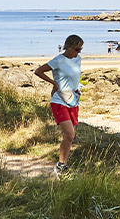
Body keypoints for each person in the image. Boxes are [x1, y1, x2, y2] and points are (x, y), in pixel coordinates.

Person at [35, 34, 84, 176]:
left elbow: (74, 78)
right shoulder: (58, 60)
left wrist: (77, 88)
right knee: (70, 135)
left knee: (68, 137)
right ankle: (60, 166)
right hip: (59, 101)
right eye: (76, 49)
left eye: (80, 49)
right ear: (68, 47)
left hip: (73, 99)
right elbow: (38, 71)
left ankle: (63, 164)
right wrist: (54, 83)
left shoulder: (78, 59)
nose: (78, 52)